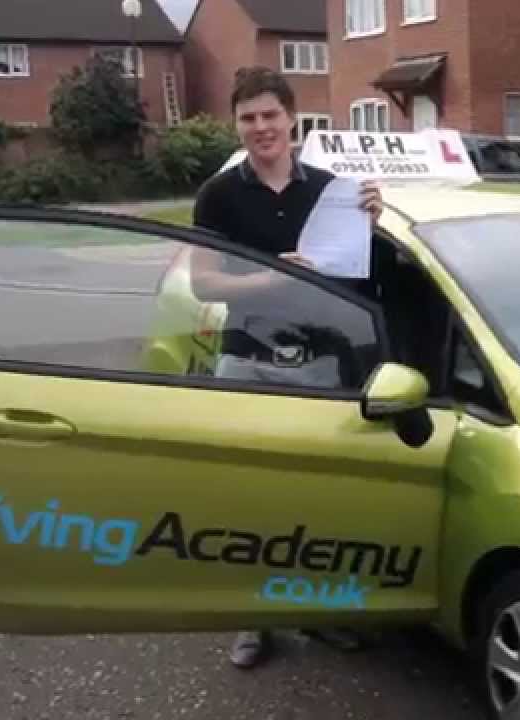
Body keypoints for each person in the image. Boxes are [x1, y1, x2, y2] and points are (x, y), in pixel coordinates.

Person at [190, 66, 383, 669]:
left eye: (270, 114)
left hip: (319, 363)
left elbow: (359, 281)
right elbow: (202, 283)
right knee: (245, 499)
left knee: (315, 499)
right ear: (236, 125)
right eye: (248, 118)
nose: (261, 127)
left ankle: (316, 613)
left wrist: (372, 225)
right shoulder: (218, 195)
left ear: (292, 118)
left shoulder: (333, 191)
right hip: (246, 361)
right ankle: (252, 618)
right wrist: (272, 275)